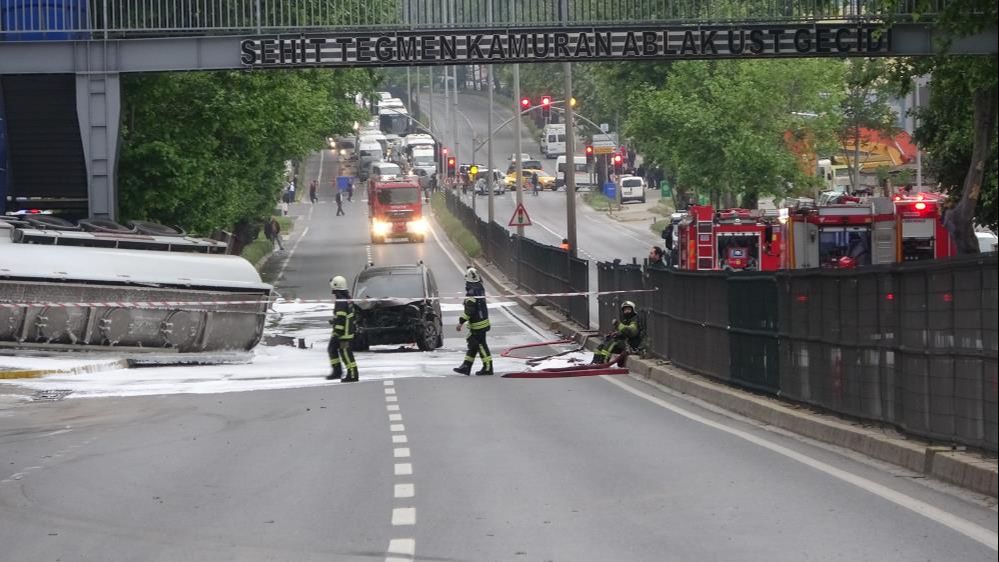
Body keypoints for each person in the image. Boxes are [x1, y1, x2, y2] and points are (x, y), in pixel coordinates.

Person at [453, 267, 493, 376]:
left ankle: (488, 368)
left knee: (480, 345)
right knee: (473, 344)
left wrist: (460, 322)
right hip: (482, 321)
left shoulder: (471, 293)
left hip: (477, 324)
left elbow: (469, 311)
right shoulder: (480, 288)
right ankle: (466, 366)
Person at [327, 275, 359, 382]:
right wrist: (335, 322)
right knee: (333, 349)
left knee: (345, 353)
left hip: (344, 333)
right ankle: (338, 372)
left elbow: (341, 317)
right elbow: (344, 316)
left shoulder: (341, 300)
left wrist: (337, 332)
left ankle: (353, 375)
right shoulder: (346, 298)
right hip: (346, 331)